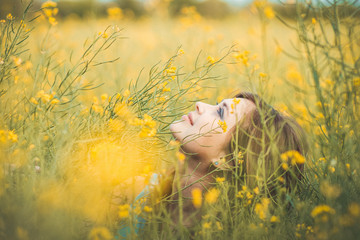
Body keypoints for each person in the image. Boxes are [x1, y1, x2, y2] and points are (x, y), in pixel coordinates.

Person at [115, 91, 308, 236]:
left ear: (231, 160)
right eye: (216, 105)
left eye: (220, 113)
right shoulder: (137, 190)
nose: (200, 104)